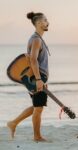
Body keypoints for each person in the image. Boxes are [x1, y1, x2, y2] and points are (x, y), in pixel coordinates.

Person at [7, 11, 50, 142]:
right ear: (37, 23)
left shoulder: (37, 38)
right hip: (36, 78)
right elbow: (33, 60)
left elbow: (32, 59)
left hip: (36, 77)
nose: (47, 22)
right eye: (45, 20)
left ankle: (13, 123)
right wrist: (38, 79)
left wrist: (40, 79)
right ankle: (37, 136)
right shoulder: (36, 39)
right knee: (38, 108)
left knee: (37, 106)